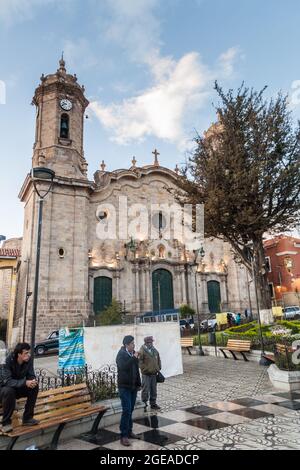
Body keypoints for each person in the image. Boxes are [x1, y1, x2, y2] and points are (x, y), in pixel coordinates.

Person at [0, 342, 39, 433]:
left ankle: (27, 418)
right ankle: (5, 423)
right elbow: (7, 381)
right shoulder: (7, 361)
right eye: (26, 353)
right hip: (3, 389)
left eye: (29, 352)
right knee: (9, 391)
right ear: (19, 354)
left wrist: (33, 381)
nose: (29, 355)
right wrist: (25, 382)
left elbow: (31, 375)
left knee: (34, 387)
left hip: (17, 388)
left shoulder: (28, 361)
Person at [116, 335, 141, 447]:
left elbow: (136, 370)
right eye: (132, 343)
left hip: (133, 387)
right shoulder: (121, 355)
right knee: (126, 410)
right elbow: (123, 367)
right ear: (126, 345)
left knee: (130, 410)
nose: (133, 345)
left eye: (133, 343)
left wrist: (139, 384)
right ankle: (123, 436)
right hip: (124, 387)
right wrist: (134, 358)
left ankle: (129, 431)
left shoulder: (133, 354)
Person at [139, 336, 162, 412]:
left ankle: (153, 403)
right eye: (149, 342)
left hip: (154, 373)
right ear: (146, 343)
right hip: (146, 374)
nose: (151, 343)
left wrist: (158, 367)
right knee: (145, 389)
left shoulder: (154, 350)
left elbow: (158, 358)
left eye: (151, 342)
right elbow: (140, 362)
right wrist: (145, 369)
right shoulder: (142, 351)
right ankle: (144, 404)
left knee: (153, 389)